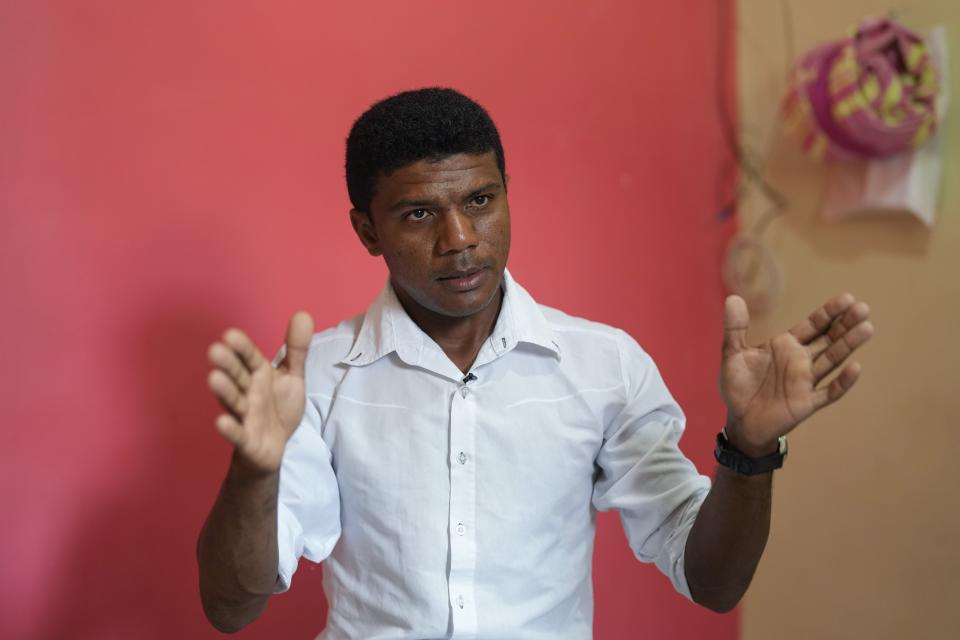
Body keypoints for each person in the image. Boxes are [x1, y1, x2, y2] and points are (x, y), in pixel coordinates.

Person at [197, 88, 874, 638]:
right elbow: (232, 608)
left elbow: (713, 584)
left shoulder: (604, 367)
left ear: (506, 193)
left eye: (480, 201)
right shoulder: (317, 379)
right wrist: (255, 470)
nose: (459, 239)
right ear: (367, 229)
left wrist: (750, 450)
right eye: (418, 213)